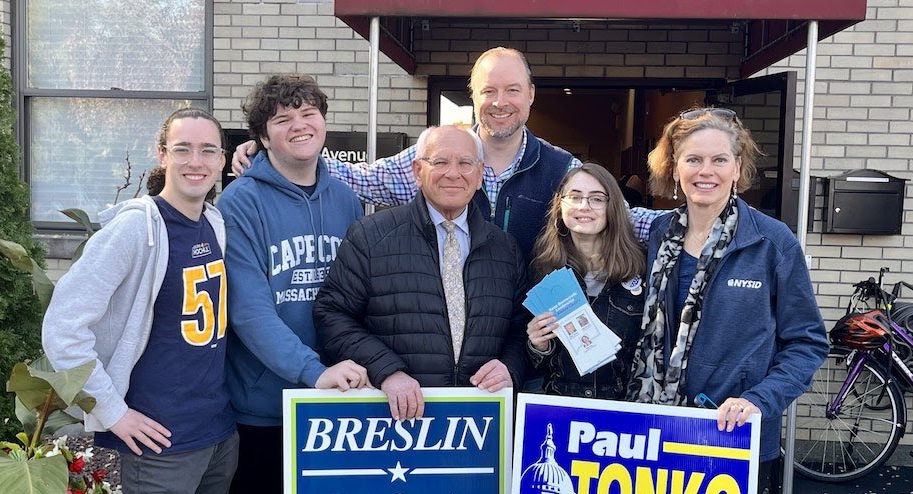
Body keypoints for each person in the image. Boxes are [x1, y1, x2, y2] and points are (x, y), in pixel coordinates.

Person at [232, 47, 666, 256]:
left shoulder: (559, 168)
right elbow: (361, 178)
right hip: (447, 338)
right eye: (489, 91)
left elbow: (625, 219)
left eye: (512, 90)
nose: (500, 102)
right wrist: (278, 150)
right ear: (473, 96)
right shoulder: (436, 156)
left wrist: (696, 217)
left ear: (531, 95)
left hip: (532, 341)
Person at [627, 107, 828, 493]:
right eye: (694, 160)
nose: (706, 172)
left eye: (719, 160)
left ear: (737, 168)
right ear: (674, 169)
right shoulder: (658, 234)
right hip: (657, 431)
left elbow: (807, 342)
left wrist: (758, 400)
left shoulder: (772, 242)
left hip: (734, 437)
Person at [42, 108, 238, 493]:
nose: (195, 162)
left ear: (221, 160)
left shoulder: (214, 222)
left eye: (207, 150)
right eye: (182, 149)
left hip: (218, 434)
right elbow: (62, 327)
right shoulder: (136, 228)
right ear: (162, 155)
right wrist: (113, 412)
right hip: (160, 446)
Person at [216, 74, 370, 494]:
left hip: (340, 400)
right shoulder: (239, 202)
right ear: (262, 138)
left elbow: (363, 298)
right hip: (266, 411)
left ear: (323, 122)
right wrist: (313, 371)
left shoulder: (346, 199)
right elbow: (248, 311)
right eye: (283, 119)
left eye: (308, 113)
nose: (299, 125)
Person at [313, 125, 528, 420]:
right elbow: (331, 314)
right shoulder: (371, 236)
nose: (453, 173)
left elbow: (520, 329)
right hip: (396, 422)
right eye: (440, 162)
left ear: (479, 175)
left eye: (465, 163)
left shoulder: (505, 249)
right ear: (417, 171)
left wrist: (510, 367)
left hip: (479, 423)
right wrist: (386, 371)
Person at [526, 164, 646, 399]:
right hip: (561, 406)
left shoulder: (642, 266)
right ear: (560, 205)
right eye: (575, 196)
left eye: (597, 199)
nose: (584, 206)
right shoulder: (542, 268)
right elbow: (536, 363)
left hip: (625, 411)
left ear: (612, 207)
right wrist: (537, 345)